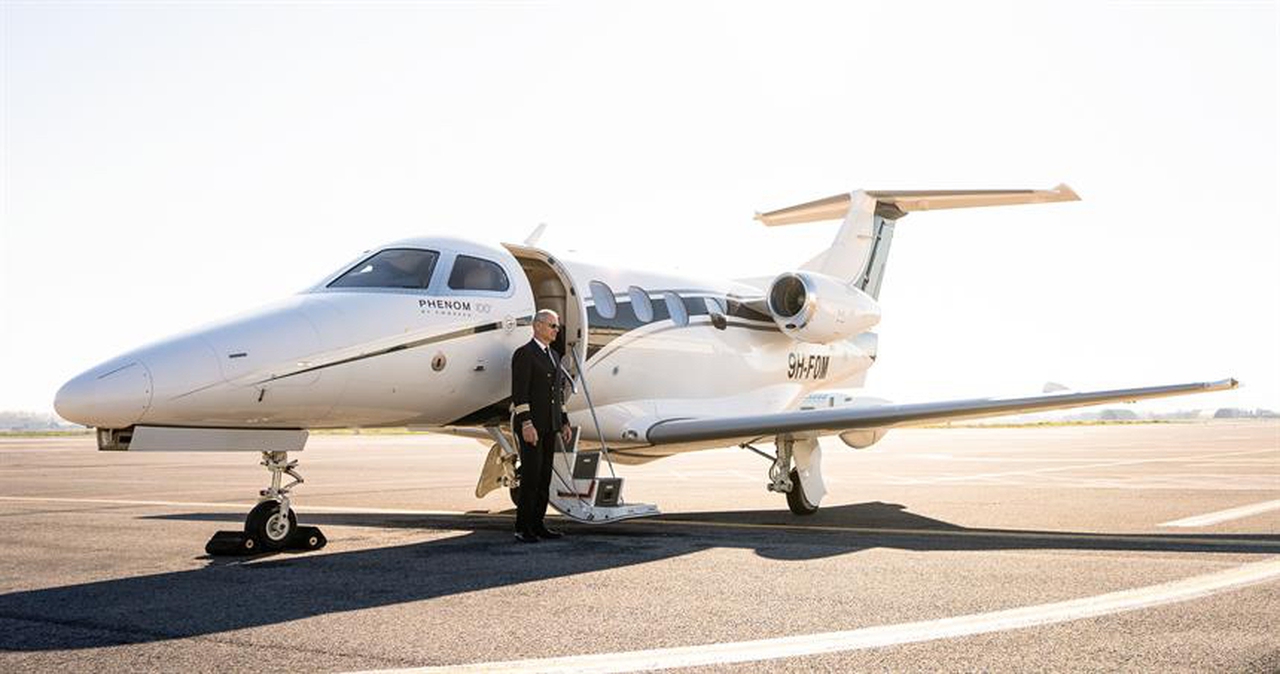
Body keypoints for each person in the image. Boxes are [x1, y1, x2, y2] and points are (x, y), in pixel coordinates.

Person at [510, 309, 573, 543]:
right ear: (537, 326)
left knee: (545, 477)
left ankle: (538, 524)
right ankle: (523, 527)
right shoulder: (525, 354)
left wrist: (564, 422)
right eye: (552, 326)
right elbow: (520, 393)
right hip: (533, 426)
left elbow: (558, 394)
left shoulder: (554, 355)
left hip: (550, 425)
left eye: (557, 327)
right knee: (531, 477)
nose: (556, 331)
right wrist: (526, 423)